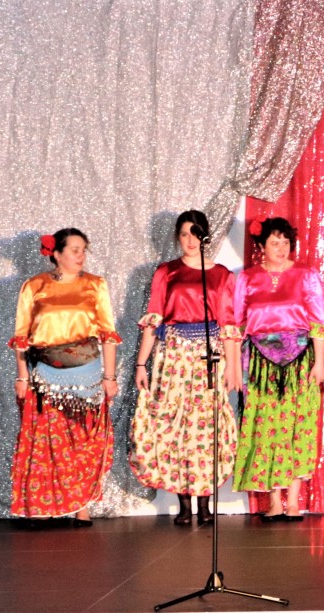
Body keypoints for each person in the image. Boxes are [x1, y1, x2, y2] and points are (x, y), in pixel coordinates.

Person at [131, 210, 240, 526]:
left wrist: (233, 367)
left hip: (209, 356)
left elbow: (229, 325)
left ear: (205, 236)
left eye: (195, 234)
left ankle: (204, 501)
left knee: (205, 427)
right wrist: (141, 364)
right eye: (183, 234)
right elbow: (154, 320)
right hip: (174, 357)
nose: (190, 240)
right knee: (174, 424)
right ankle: (183, 502)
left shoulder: (222, 276)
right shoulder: (167, 272)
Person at [9, 228, 120, 526]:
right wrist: (22, 378)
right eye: (74, 250)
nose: (81, 255)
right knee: (47, 443)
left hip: (87, 375)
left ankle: (81, 505)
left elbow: (108, 334)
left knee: (83, 441)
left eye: (83, 249)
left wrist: (110, 377)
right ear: (56, 254)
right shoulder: (34, 286)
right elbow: (21, 337)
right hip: (45, 375)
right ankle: (45, 505)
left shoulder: (95, 285)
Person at [231, 216, 324, 521]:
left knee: (297, 427)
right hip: (260, 365)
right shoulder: (247, 278)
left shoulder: (306, 275)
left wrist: (319, 363)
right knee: (266, 429)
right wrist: (234, 367)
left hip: (299, 361)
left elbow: (318, 322)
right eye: (274, 243)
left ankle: (294, 500)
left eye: (285, 242)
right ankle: (274, 499)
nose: (281, 248)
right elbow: (237, 326)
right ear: (261, 247)